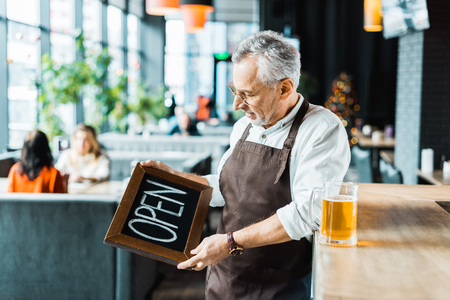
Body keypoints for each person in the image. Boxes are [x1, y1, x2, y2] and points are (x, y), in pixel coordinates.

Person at [142, 30, 350, 299]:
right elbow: (225, 186)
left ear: (285, 88)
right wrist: (177, 179)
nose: (237, 104)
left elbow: (308, 212)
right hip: (224, 277)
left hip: (279, 285)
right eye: (234, 91)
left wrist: (230, 242)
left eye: (247, 94)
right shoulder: (244, 126)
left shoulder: (321, 129)